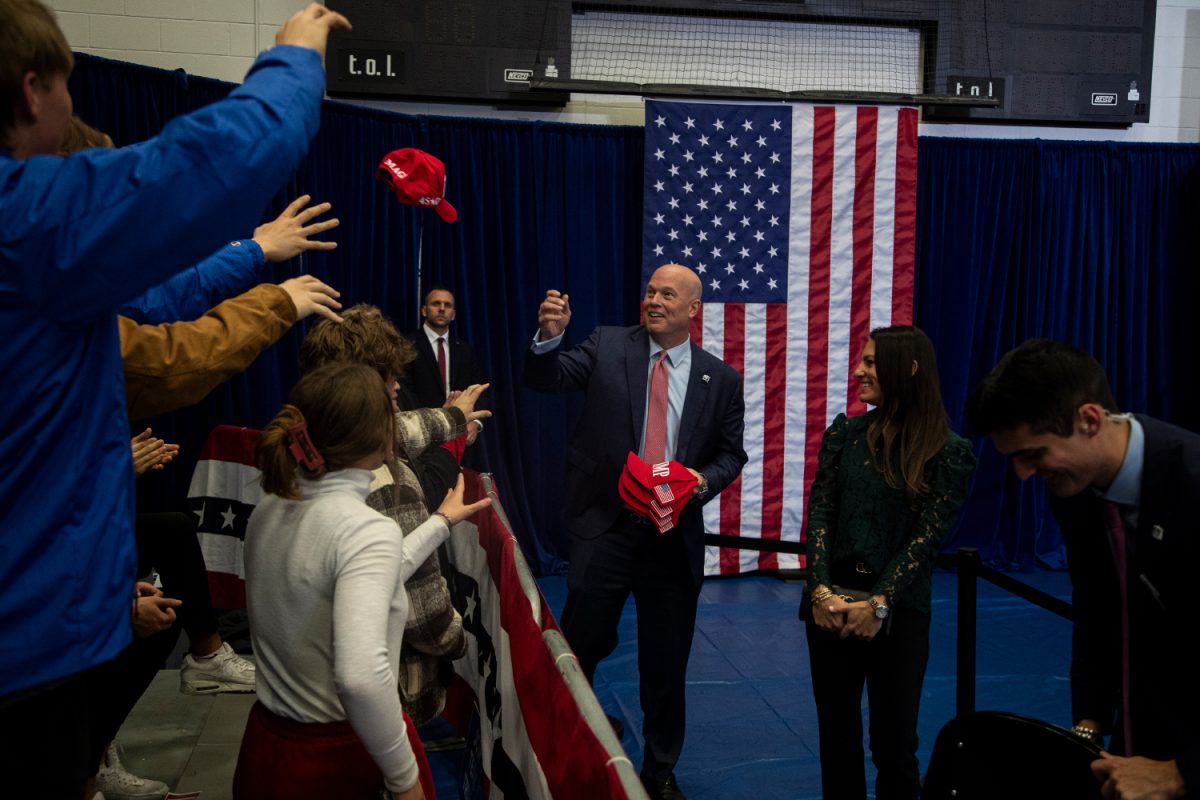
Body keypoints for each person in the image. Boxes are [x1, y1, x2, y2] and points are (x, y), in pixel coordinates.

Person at [0, 3, 349, 795]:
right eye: (67, 86)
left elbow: (152, 292)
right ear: (31, 91)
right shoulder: (25, 223)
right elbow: (163, 351)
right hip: (25, 649)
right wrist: (297, 56)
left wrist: (253, 252)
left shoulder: (43, 260)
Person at [523, 263, 748, 800]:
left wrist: (701, 481)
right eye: (649, 290)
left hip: (671, 537)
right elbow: (546, 380)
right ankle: (562, 743)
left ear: (693, 309)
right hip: (604, 526)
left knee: (665, 663)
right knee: (583, 643)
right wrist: (549, 339)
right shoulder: (605, 345)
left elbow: (731, 454)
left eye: (667, 294)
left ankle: (660, 769)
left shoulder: (722, 379)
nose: (653, 300)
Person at [232, 361, 491, 800]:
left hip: (265, 746)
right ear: (381, 436)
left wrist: (440, 523)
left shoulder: (271, 506)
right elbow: (360, 678)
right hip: (334, 762)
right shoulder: (365, 529)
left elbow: (356, 576)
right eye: (394, 408)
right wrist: (404, 776)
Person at [967, 338, 1200, 800]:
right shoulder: (1075, 493)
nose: (1023, 475)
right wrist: (1089, 729)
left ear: (1089, 420)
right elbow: (1098, 614)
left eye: (1033, 454)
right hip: (1137, 750)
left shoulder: (1193, 482)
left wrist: (1181, 774)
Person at [801, 325, 975, 800]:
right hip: (828, 608)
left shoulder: (949, 453)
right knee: (837, 742)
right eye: (863, 360)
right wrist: (819, 591)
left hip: (898, 616)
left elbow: (926, 539)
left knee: (895, 746)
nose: (859, 370)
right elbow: (821, 512)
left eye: (872, 362)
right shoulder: (845, 434)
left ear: (910, 368)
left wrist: (879, 603)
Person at [299, 304, 487, 725]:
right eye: (389, 375)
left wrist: (453, 417)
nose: (398, 385)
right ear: (360, 386)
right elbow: (424, 613)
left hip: (312, 679)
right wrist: (459, 641)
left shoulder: (304, 447)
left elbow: (402, 429)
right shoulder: (385, 481)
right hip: (385, 695)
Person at [407, 286, 488, 446]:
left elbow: (478, 390)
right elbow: (405, 394)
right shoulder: (407, 346)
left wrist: (475, 422)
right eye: (436, 304)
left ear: (453, 314)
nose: (442, 309)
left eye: (447, 305)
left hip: (460, 438)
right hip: (421, 436)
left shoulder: (465, 349)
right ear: (424, 310)